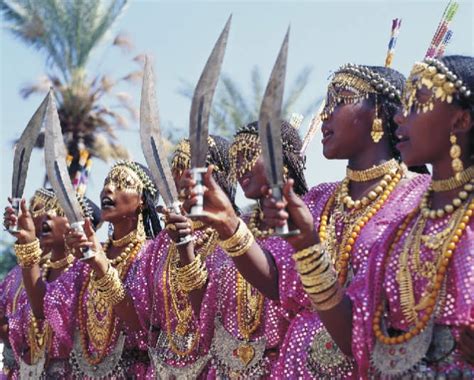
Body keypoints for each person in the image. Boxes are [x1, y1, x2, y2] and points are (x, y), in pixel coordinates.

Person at [179, 63, 430, 379]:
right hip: (297, 365)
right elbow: (275, 281)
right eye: (326, 103)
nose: (326, 114)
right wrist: (229, 224)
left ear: (379, 111)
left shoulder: (419, 199)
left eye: (341, 100)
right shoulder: (319, 201)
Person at [346, 55, 473, 377]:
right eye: (403, 105)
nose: (401, 117)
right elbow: (354, 328)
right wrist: (306, 247)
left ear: (460, 121)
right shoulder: (401, 232)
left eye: (417, 105)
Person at [130, 136, 236, 378]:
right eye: (176, 170)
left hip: (212, 364)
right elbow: (143, 320)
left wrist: (185, 248)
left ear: (215, 176)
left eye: (187, 169)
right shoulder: (159, 245)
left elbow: (220, 313)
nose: (179, 180)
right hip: (161, 367)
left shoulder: (230, 236)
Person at [54, 161, 160, 379]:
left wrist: (102, 269)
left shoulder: (151, 255)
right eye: (107, 182)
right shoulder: (88, 255)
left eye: (123, 183)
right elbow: (55, 317)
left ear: (142, 201)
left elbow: (145, 331)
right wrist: (64, 256)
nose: (109, 188)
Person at [3, 188, 100, 378]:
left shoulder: (83, 272)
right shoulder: (21, 273)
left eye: (59, 211)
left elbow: (45, 312)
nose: (45, 216)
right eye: (37, 211)